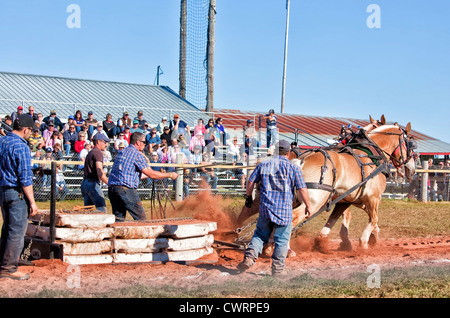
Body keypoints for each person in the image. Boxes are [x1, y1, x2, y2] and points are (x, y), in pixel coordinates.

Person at [237, 140, 312, 277]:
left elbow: (250, 182)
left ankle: (249, 258)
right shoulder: (293, 168)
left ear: (275, 151)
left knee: (260, 235)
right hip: (284, 211)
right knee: (282, 240)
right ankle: (278, 269)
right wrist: (307, 205)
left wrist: (248, 198)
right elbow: (302, 189)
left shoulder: (264, 164)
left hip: (265, 208)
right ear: (288, 153)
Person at [0, 114, 39, 280]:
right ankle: (9, 268)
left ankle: (3, 263)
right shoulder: (21, 146)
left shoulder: (2, 141)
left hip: (2, 190)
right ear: (26, 129)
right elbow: (24, 178)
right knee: (16, 231)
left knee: (6, 228)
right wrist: (33, 202)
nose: (30, 134)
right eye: (31, 131)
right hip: (16, 193)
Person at [108, 132, 178, 221]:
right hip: (126, 189)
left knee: (119, 218)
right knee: (141, 218)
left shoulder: (122, 152)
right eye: (144, 142)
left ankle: (116, 234)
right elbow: (151, 174)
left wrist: (155, 175)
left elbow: (130, 174)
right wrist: (170, 174)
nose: (145, 144)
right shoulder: (137, 154)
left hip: (113, 189)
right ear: (138, 142)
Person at [81, 134, 109, 212]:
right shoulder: (98, 153)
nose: (106, 144)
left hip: (85, 183)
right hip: (92, 184)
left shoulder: (91, 152)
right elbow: (99, 171)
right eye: (105, 142)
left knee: (88, 212)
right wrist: (109, 184)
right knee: (102, 210)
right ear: (98, 142)